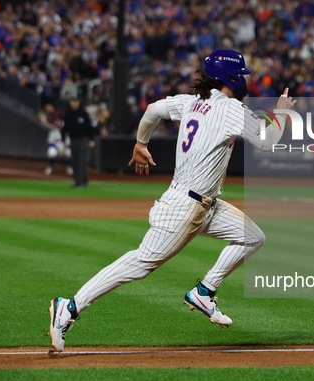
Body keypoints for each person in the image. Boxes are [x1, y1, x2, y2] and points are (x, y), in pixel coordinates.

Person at [48, 49, 296, 352]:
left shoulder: (191, 102)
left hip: (206, 204)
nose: (244, 81)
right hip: (185, 206)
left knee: (252, 237)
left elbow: (152, 109)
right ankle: (70, 307)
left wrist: (141, 142)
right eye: (241, 75)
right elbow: (269, 141)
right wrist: (282, 110)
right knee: (141, 263)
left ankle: (204, 292)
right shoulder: (229, 108)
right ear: (231, 77)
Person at [62, 93, 95, 188]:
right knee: (75, 161)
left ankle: (84, 181)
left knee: (83, 161)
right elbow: (65, 129)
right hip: (73, 140)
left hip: (83, 139)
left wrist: (91, 139)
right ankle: (77, 182)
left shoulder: (83, 113)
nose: (74, 103)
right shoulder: (68, 114)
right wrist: (64, 140)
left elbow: (90, 127)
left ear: (79, 102)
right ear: (70, 102)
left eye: (76, 101)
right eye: (73, 101)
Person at [39, 103, 73, 176]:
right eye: (58, 125)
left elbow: (69, 143)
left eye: (60, 125)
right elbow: (50, 142)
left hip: (64, 148)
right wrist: (57, 147)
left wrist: (64, 147)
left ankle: (69, 167)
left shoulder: (66, 132)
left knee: (69, 152)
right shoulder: (53, 131)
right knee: (51, 152)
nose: (59, 126)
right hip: (56, 147)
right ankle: (50, 167)